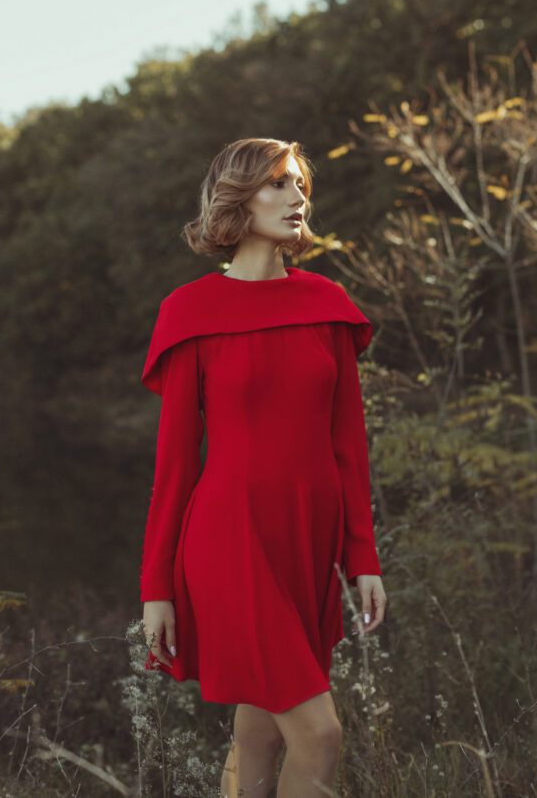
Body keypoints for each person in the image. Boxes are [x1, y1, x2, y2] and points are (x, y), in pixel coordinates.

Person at [140, 137, 387, 797]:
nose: (297, 196)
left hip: (307, 540)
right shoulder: (189, 314)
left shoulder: (327, 305)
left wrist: (362, 558)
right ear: (237, 198)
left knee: (261, 729)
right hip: (231, 538)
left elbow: (348, 447)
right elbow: (174, 469)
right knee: (320, 732)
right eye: (278, 184)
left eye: (301, 184)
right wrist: (156, 585)